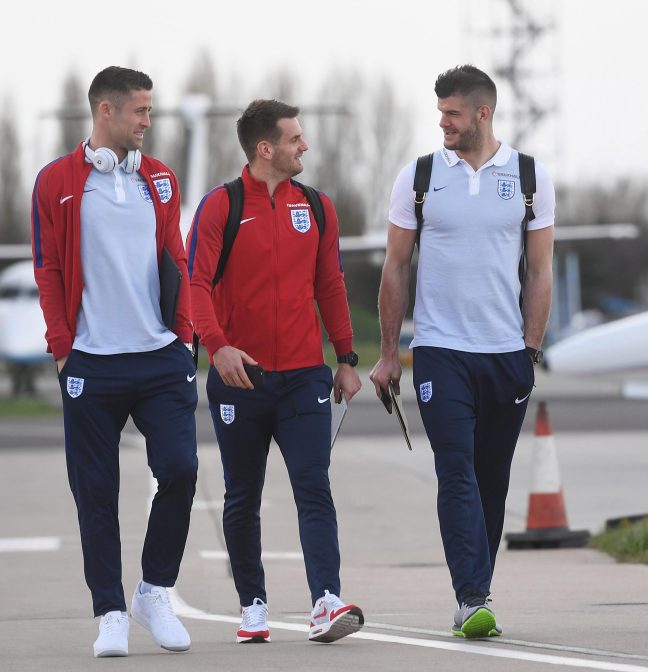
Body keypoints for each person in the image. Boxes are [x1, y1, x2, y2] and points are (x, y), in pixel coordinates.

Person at [370, 65, 555, 639]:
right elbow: (396, 266)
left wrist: (530, 348)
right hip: (439, 351)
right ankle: (471, 597)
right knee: (455, 472)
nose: (442, 123)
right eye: (439, 113)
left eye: (452, 114)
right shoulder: (419, 176)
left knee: (491, 480)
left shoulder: (529, 176)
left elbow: (541, 270)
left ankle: (479, 591)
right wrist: (387, 354)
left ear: (482, 113)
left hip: (506, 355)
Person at [31, 66, 197, 657]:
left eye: (150, 111)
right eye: (141, 112)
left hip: (160, 357)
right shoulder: (57, 182)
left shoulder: (160, 179)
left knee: (180, 470)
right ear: (107, 111)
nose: (148, 122)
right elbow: (48, 268)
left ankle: (154, 590)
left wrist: (184, 334)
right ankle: (109, 611)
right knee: (95, 493)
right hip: (91, 364)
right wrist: (62, 350)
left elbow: (176, 256)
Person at [187, 99, 363, 645]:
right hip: (242, 378)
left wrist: (347, 357)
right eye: (295, 139)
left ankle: (326, 603)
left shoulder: (316, 205)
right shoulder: (220, 206)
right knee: (243, 493)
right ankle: (253, 605)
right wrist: (216, 348)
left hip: (307, 376)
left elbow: (330, 284)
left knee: (314, 485)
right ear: (266, 148)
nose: (303, 146)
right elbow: (195, 286)